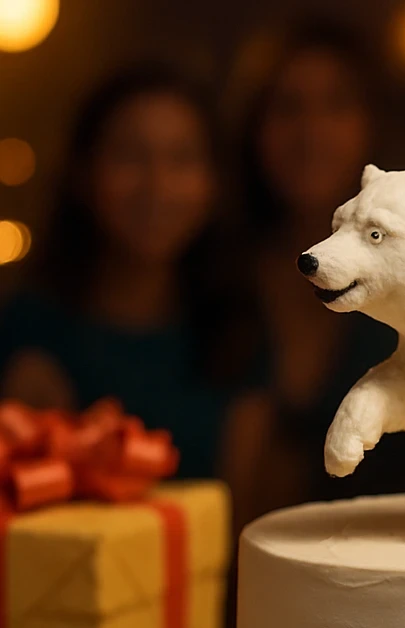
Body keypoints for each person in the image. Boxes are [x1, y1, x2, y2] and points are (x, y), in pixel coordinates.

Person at [225, 19, 405, 517]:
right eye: (288, 107)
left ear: (372, 123)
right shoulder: (220, 273)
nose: (311, 132)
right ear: (256, 127)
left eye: (337, 105)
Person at [0, 65, 248, 484]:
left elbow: (242, 510)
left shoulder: (235, 329)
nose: (157, 185)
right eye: (130, 156)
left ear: (213, 182)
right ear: (84, 173)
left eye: (182, 159)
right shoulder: (30, 328)